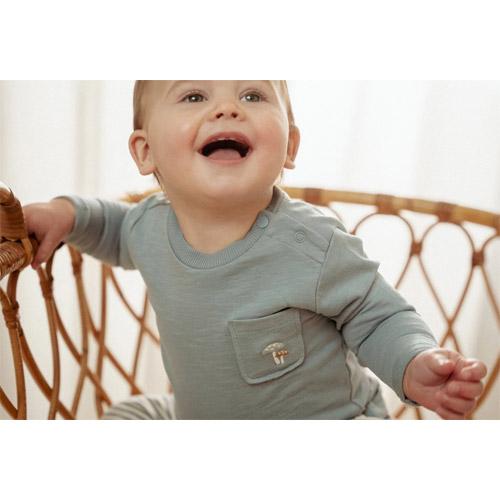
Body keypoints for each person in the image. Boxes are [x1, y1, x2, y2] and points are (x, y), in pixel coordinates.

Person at [23, 81, 487, 419]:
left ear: (290, 146)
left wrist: (412, 362)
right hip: (197, 418)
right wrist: (66, 213)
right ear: (146, 152)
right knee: (126, 417)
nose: (227, 109)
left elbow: (378, 316)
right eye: (194, 96)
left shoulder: (311, 242)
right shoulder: (147, 226)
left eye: (252, 96)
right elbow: (110, 227)